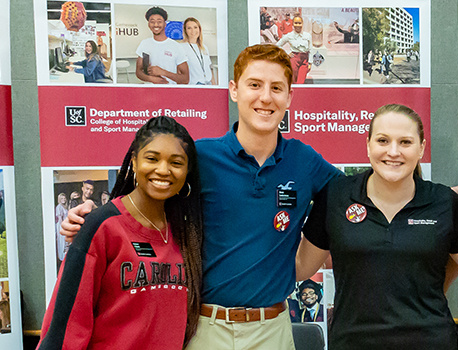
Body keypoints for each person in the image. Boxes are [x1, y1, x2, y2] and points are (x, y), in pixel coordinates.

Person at [62, 44, 340, 350]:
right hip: (204, 328)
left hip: (272, 329)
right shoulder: (200, 157)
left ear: (289, 97)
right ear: (234, 90)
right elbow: (143, 204)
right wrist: (93, 217)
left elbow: (352, 197)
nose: (265, 97)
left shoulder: (305, 161)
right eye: (254, 85)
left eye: (276, 88)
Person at [295, 104, 458, 349]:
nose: (393, 151)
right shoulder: (336, 197)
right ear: (368, 144)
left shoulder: (444, 203)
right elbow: (300, 268)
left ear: (421, 148)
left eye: (405, 142)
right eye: (383, 140)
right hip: (352, 343)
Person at [38, 116, 204, 349]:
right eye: (152, 159)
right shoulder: (102, 226)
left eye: (176, 163)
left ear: (187, 171)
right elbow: (65, 325)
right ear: (134, 162)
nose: (163, 170)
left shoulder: (186, 233)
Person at [136, 7, 189, 84]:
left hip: (169, 92)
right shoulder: (144, 44)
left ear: (165, 24)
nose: (156, 25)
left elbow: (185, 79)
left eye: (159, 21)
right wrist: (151, 79)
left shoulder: (176, 46)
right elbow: (138, 72)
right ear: (148, 24)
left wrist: (163, 72)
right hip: (149, 92)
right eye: (152, 21)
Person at [276, 15, 312, 84]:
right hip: (294, 59)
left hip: (304, 60)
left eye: (299, 23)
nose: (298, 25)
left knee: (300, 82)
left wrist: (310, 63)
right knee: (293, 81)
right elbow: (278, 45)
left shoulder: (307, 35)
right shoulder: (289, 35)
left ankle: (300, 94)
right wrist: (287, 54)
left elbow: (311, 49)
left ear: (302, 23)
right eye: (296, 23)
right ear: (293, 24)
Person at [182, 17, 216, 85]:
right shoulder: (182, 47)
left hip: (208, 84)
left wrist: (214, 84)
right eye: (189, 28)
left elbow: (209, 67)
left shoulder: (204, 47)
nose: (193, 31)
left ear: (199, 29)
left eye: (195, 27)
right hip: (195, 85)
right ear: (185, 31)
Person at [54, 193, 69, 263]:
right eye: (61, 198)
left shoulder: (65, 207)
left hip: (66, 225)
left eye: (64, 198)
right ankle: (62, 258)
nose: (63, 200)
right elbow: (60, 219)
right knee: (62, 242)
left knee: (66, 242)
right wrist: (64, 227)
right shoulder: (59, 207)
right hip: (61, 226)